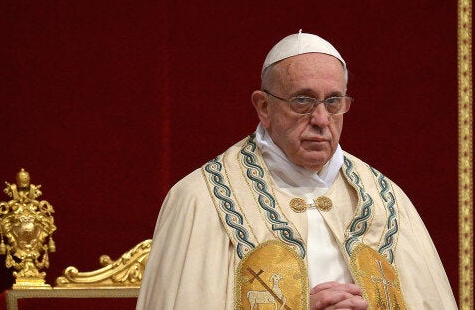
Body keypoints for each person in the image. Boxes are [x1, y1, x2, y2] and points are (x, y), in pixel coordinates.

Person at [136, 31, 457, 309]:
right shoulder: (201, 200)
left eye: (333, 102)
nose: (320, 119)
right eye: (302, 101)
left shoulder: (387, 201)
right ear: (264, 107)